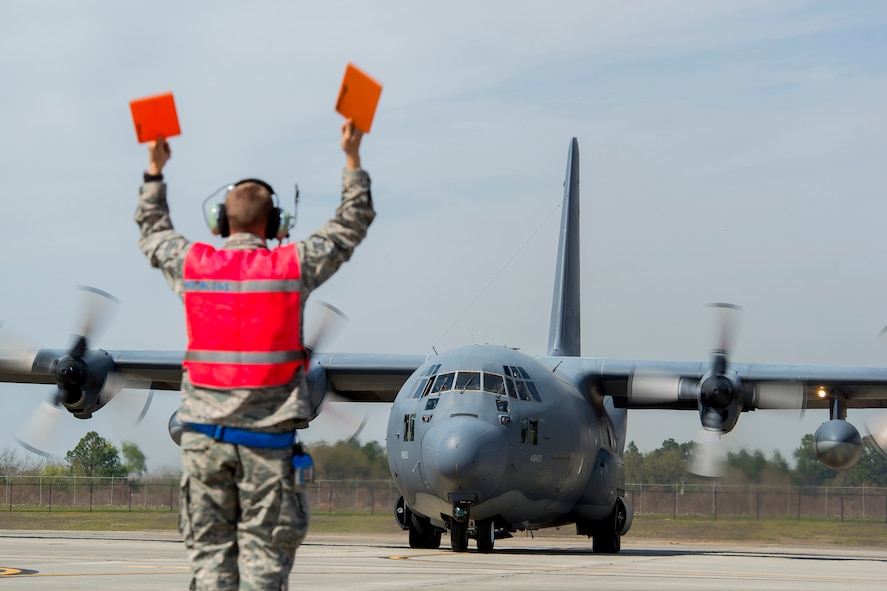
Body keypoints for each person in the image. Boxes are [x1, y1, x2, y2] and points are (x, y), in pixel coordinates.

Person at [134, 120, 375, 591]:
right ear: (276, 224)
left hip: (203, 445)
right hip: (268, 449)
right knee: (264, 570)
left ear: (220, 224)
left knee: (210, 566)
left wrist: (154, 170)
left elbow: (153, 229)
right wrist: (351, 156)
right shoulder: (292, 265)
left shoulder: (195, 266)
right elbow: (352, 221)